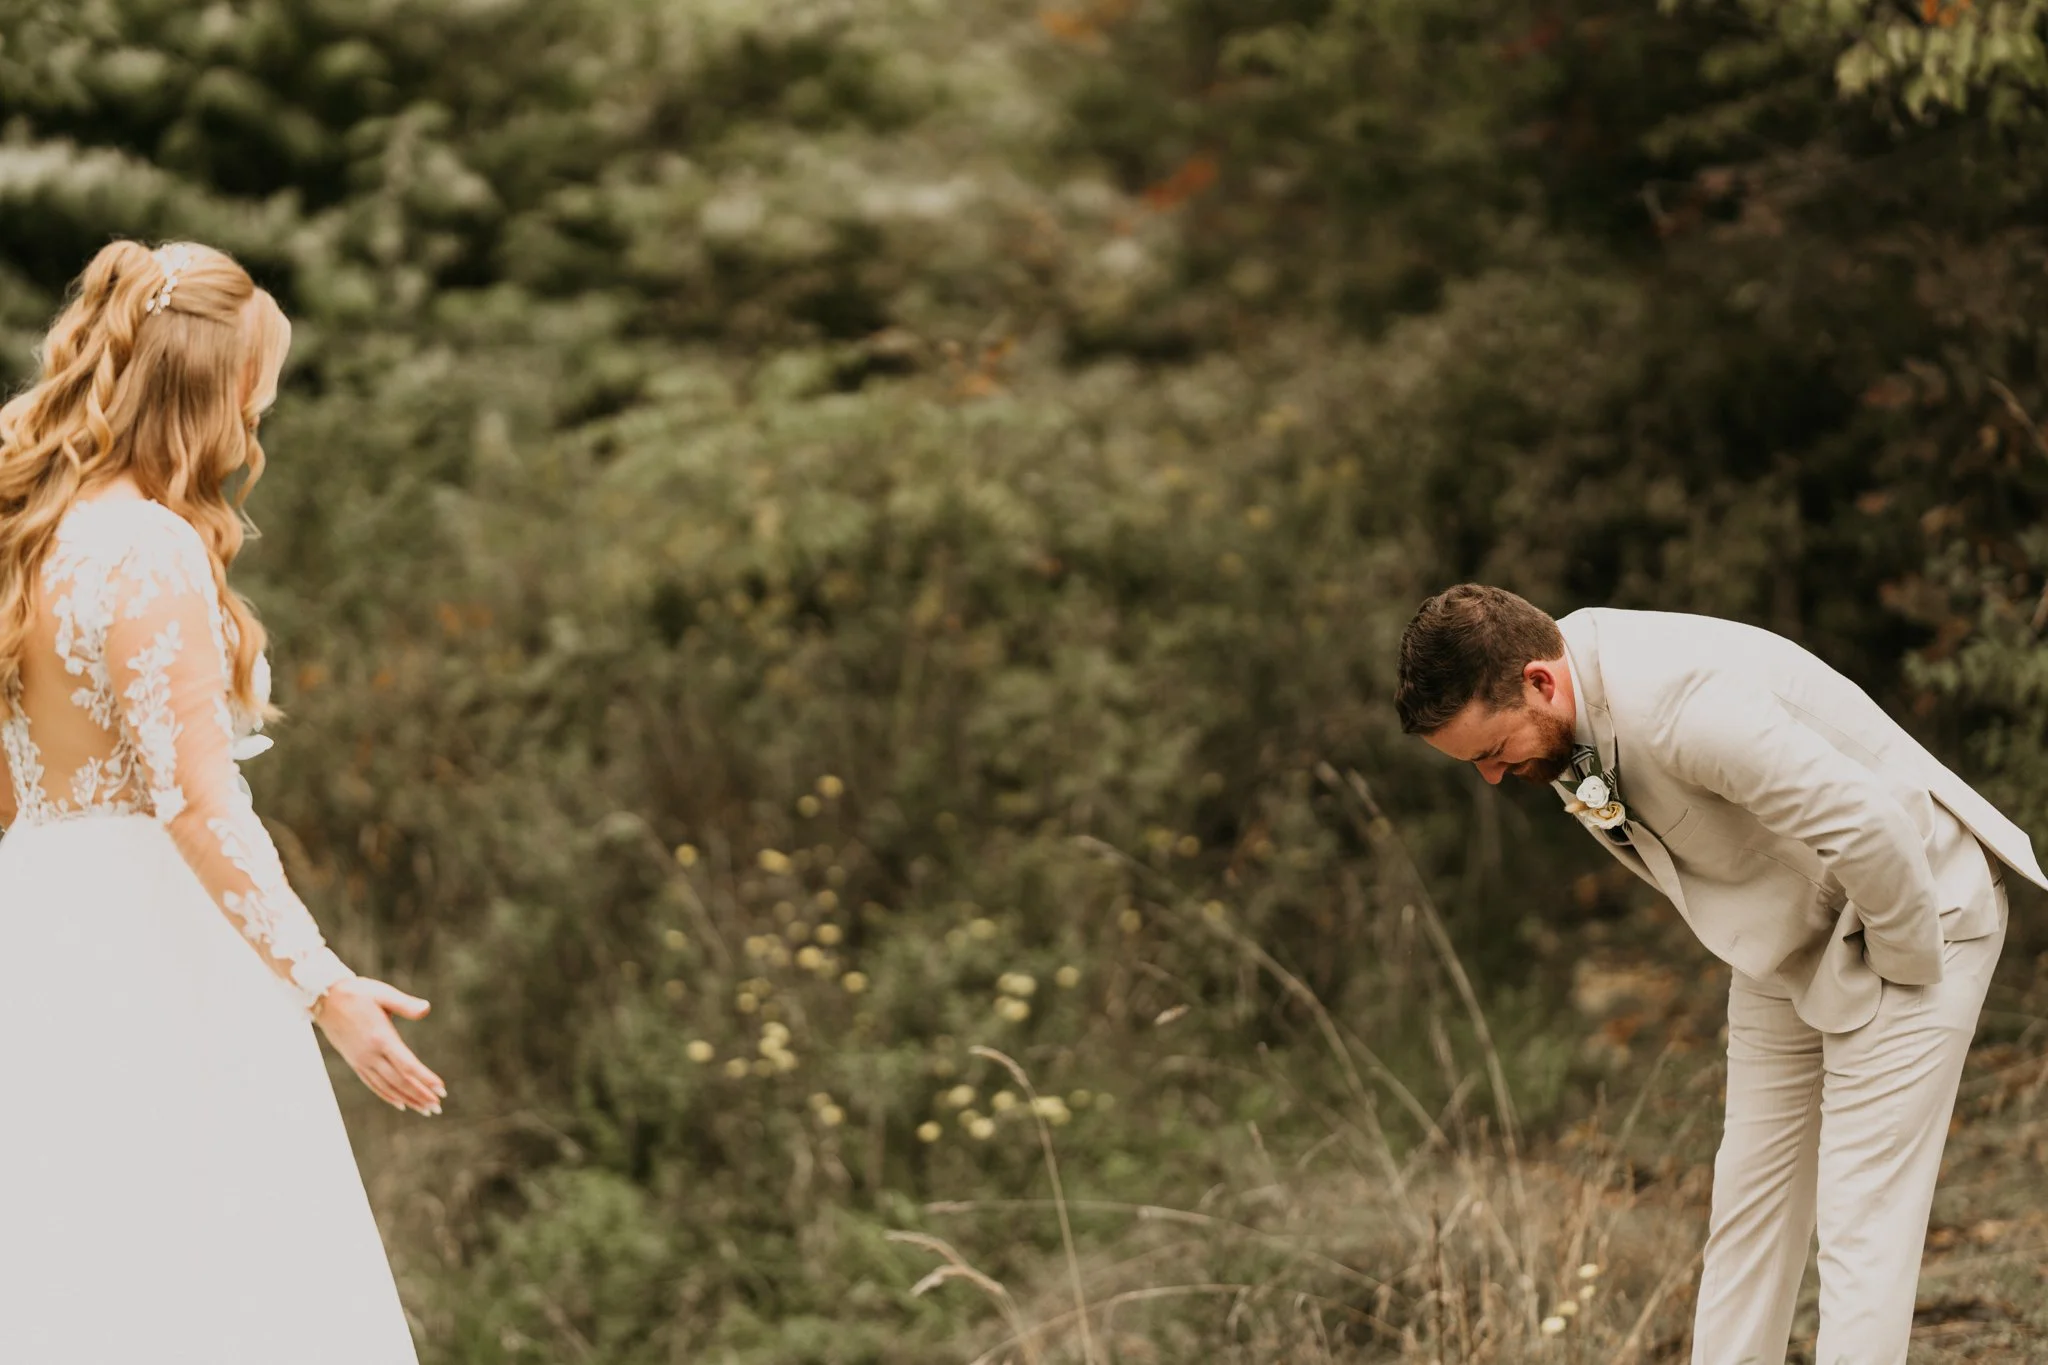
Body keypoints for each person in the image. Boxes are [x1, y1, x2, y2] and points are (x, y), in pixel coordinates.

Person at [1394, 584, 2046, 1365]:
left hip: (1917, 909)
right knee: (1749, 1208)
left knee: (1861, 1219)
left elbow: (1874, 828)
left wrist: (1895, 978)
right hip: (1788, 944)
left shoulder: (1676, 702)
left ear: (1539, 680)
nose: (1493, 778)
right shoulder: (1564, 709)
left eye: (1492, 752)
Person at [0, 240, 443, 1360]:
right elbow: (194, 806)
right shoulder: (147, 550)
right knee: (215, 1268)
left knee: (71, 1262)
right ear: (209, 394)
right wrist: (324, 987)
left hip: (34, 925)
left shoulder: (26, 543)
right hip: (150, 943)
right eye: (258, 402)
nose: (255, 433)